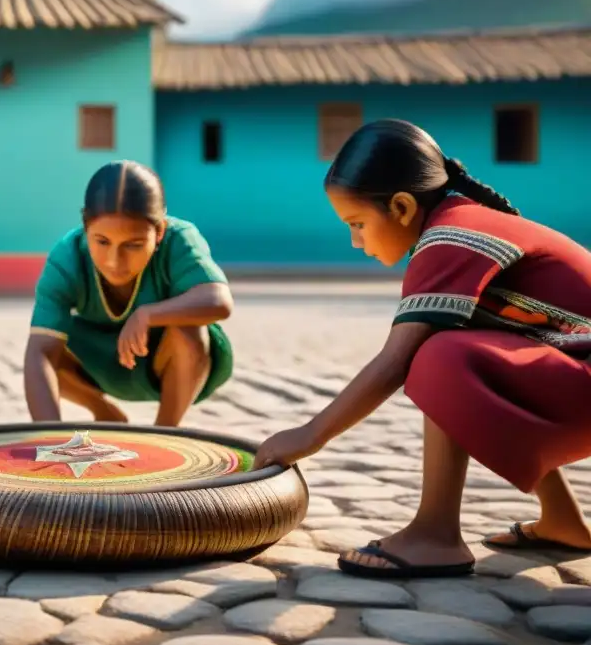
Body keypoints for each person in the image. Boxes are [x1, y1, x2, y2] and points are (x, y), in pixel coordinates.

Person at [253, 119, 591, 579]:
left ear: (401, 205)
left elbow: (395, 361)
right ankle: (562, 521)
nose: (355, 241)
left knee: (439, 356)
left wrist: (309, 435)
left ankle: (435, 535)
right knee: (474, 349)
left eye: (357, 223)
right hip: (573, 372)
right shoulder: (461, 222)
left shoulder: (450, 236)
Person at [24, 160, 235, 428]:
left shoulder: (180, 239)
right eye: (101, 242)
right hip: (98, 366)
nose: (114, 261)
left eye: (133, 245)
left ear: (159, 232)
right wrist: (49, 439)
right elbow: (40, 352)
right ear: (85, 226)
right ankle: (104, 411)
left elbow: (219, 301)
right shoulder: (67, 256)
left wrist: (147, 315)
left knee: (190, 329)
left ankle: (166, 430)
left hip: (168, 365)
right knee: (45, 343)